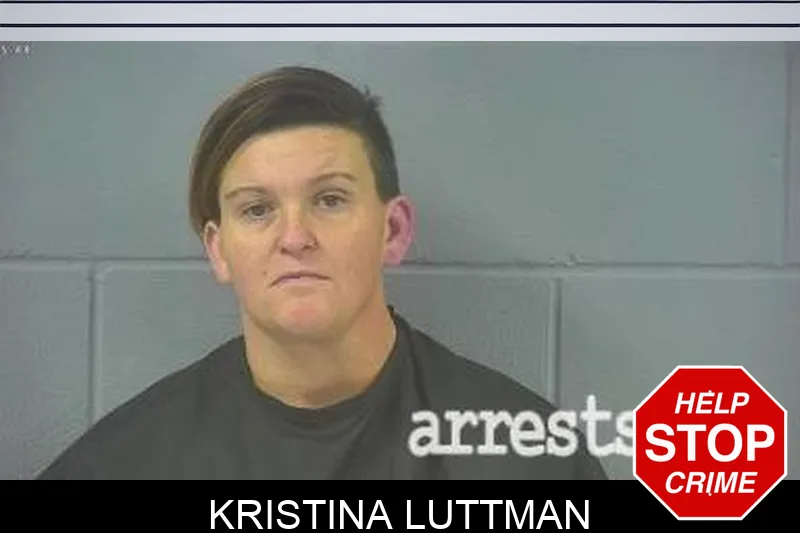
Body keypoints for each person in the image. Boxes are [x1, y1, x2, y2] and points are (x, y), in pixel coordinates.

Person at [38, 66, 607, 480]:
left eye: (330, 200)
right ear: (218, 250)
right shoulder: (127, 462)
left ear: (394, 230)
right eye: (256, 210)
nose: (294, 237)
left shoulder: (529, 458)